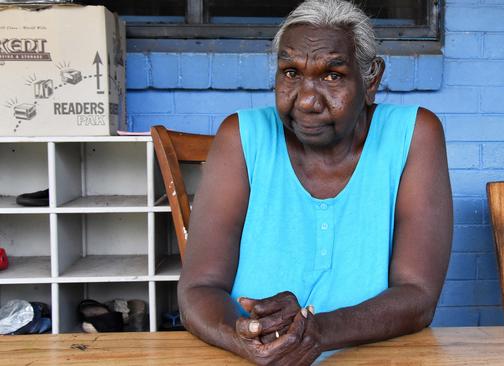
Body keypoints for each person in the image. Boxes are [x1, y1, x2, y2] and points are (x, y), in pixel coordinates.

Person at [177, 0, 452, 364]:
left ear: (372, 80)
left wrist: (315, 332)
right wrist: (243, 338)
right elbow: (197, 289)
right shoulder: (241, 137)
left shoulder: (414, 135)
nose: (306, 100)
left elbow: (418, 295)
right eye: (290, 72)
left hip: (376, 357)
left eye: (332, 76)